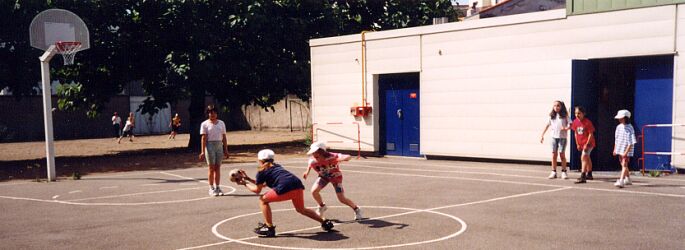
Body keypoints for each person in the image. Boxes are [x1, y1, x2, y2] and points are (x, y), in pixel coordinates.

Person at [240, 149, 334, 237]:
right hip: (297, 185)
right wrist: (247, 179)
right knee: (301, 209)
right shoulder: (277, 166)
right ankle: (325, 222)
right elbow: (263, 185)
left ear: (260, 160)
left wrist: (245, 184)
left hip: (285, 187)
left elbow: (257, 190)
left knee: (262, 200)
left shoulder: (262, 171)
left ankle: (269, 228)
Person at [302, 141, 364, 221]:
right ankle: (322, 206)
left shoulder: (332, 156)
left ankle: (356, 209)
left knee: (341, 199)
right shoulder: (312, 160)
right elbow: (310, 165)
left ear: (322, 152)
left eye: (316, 152)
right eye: (313, 153)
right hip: (324, 177)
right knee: (314, 191)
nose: (314, 155)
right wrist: (307, 172)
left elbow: (348, 156)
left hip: (336, 178)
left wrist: (342, 158)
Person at [199, 105, 229, 196]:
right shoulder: (204, 124)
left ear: (217, 113)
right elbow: (203, 138)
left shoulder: (221, 123)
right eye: (210, 112)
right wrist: (203, 151)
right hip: (210, 145)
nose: (212, 114)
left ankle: (218, 187)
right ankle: (211, 188)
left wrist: (226, 150)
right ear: (208, 114)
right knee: (211, 168)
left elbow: (224, 137)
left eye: (214, 112)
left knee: (218, 167)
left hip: (219, 145)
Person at [540, 100, 571, 179]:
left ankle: (564, 171)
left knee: (562, 154)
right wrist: (542, 135)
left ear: (561, 107)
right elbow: (547, 125)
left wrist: (565, 128)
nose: (556, 107)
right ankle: (553, 171)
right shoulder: (551, 116)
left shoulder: (565, 115)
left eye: (558, 106)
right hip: (554, 137)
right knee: (554, 154)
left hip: (562, 138)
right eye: (554, 106)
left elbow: (570, 125)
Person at [571, 106, 595, 184]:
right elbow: (575, 133)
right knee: (587, 158)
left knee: (583, 157)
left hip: (589, 143)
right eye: (575, 113)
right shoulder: (575, 122)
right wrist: (577, 144)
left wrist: (586, 144)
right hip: (581, 143)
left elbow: (590, 134)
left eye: (579, 113)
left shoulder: (587, 122)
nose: (577, 115)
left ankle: (583, 176)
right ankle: (589, 174)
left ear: (583, 114)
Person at [612, 109, 637, 188]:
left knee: (624, 165)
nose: (619, 119)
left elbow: (631, 142)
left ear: (626, 118)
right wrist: (615, 149)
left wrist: (626, 152)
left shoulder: (630, 128)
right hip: (620, 149)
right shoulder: (618, 127)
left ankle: (621, 180)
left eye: (621, 118)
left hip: (626, 150)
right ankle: (628, 179)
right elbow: (616, 139)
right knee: (623, 165)